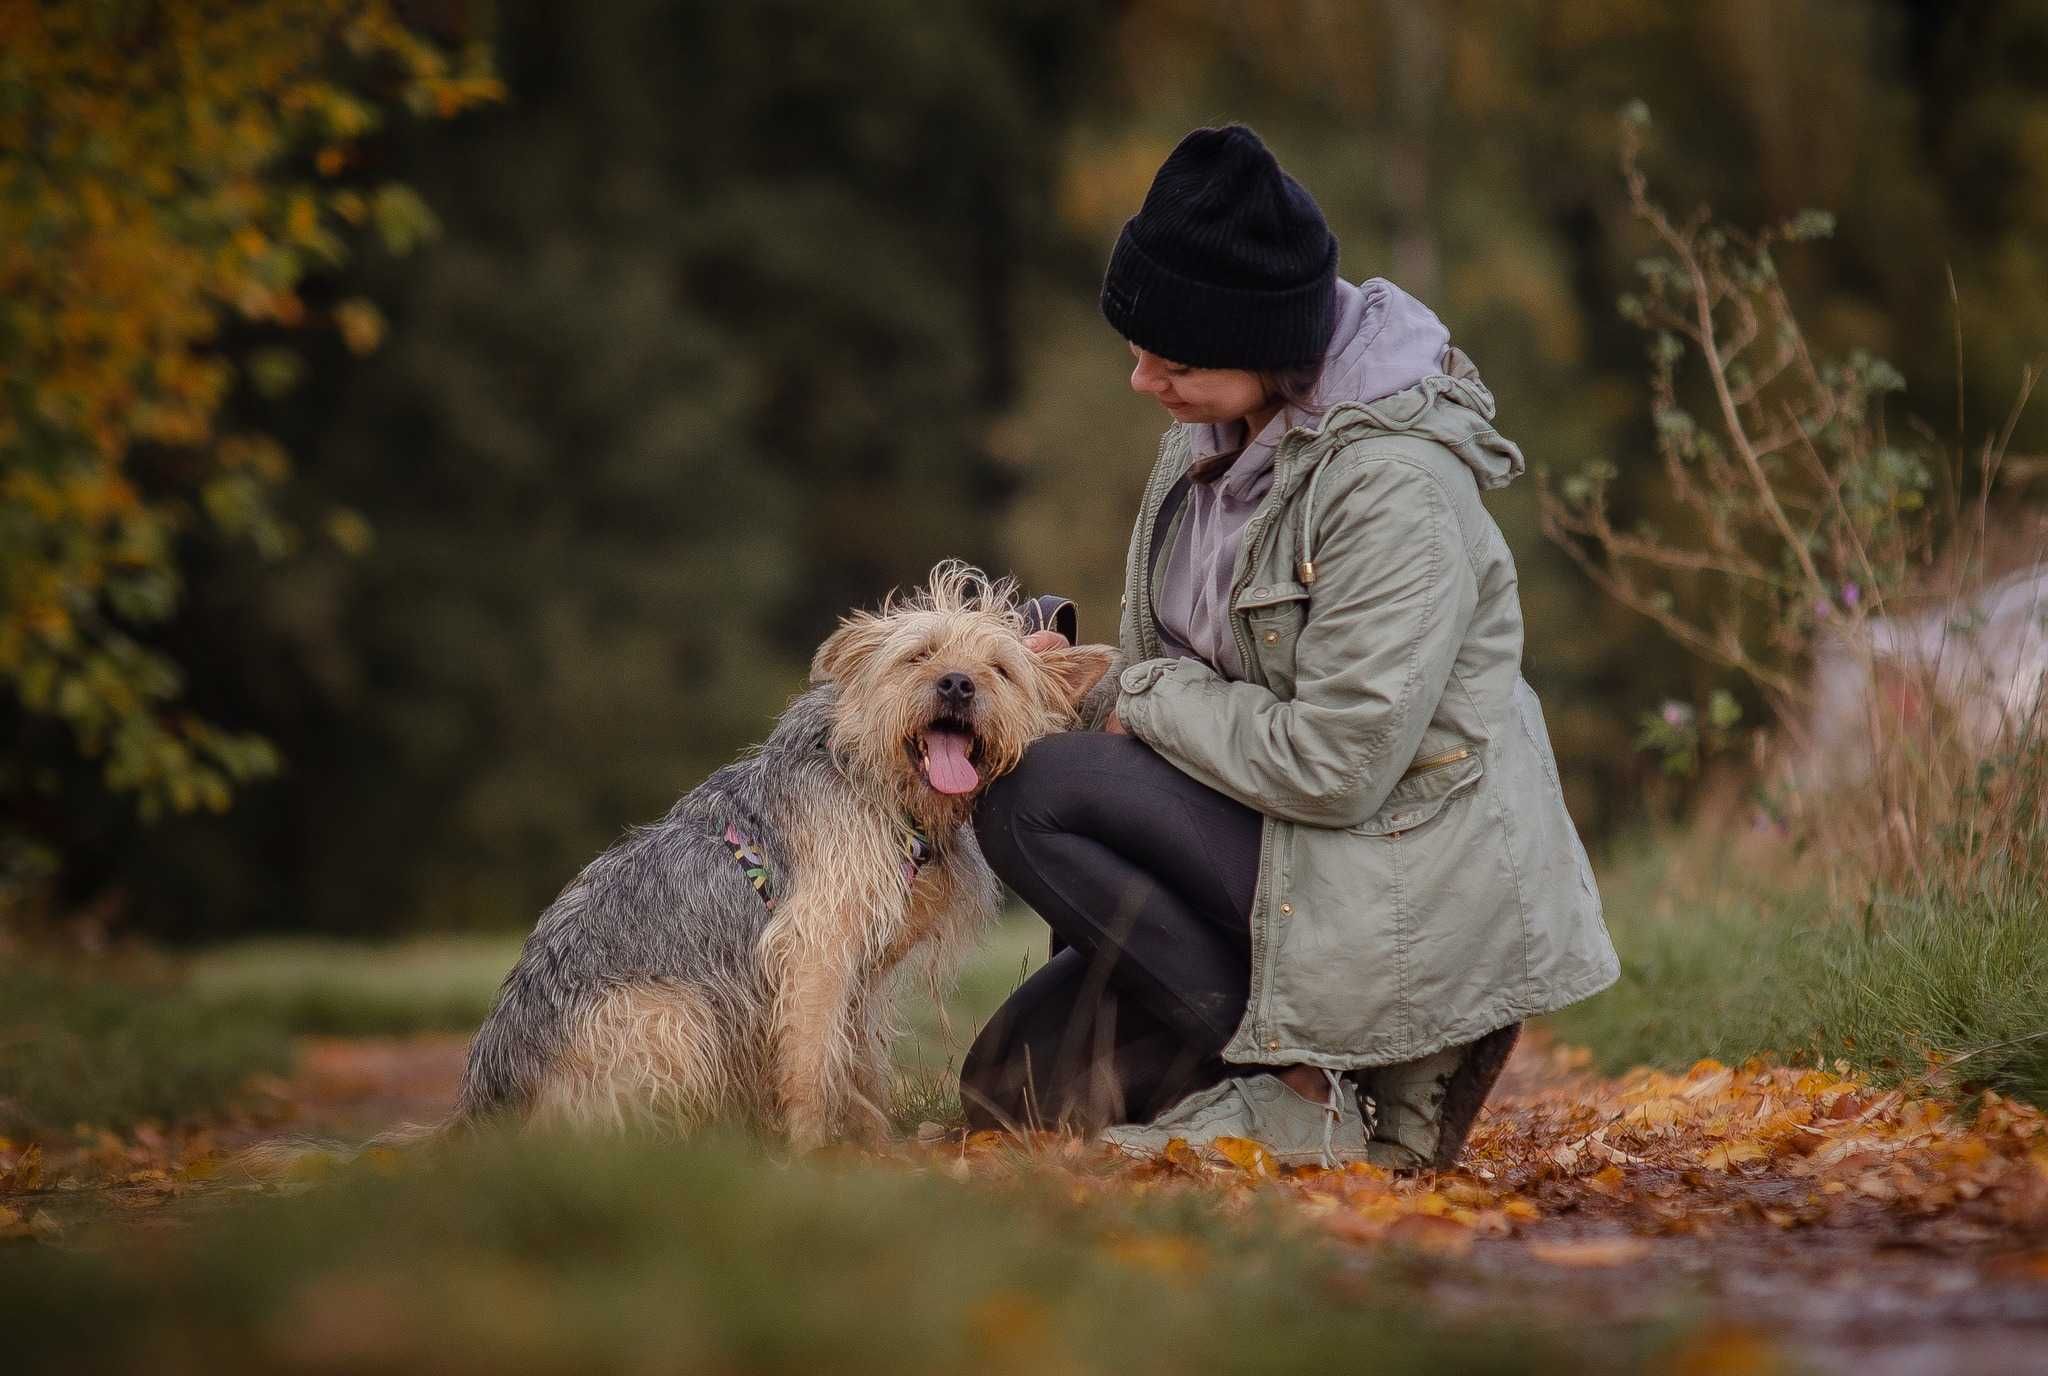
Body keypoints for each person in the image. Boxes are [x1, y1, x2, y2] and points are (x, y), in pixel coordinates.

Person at [958, 124, 1619, 1169]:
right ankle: (1257, 1070)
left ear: (1260, 344)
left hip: (1377, 877)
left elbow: (1337, 761)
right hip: (1265, 849)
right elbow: (1160, 678)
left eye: (1168, 358)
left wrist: (1143, 699)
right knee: (1009, 1092)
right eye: (1135, 349)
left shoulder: (1394, 486)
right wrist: (1074, 682)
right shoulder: (1202, 440)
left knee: (1037, 795)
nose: (1138, 381)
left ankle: (1333, 1087)